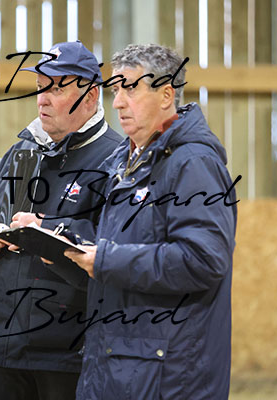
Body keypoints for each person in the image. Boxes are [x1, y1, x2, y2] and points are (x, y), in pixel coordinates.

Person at [64, 44, 237, 399]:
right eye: (115, 90)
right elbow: (122, 241)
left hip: (168, 376)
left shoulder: (193, 164)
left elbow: (203, 260)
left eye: (130, 89)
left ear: (166, 95)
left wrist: (105, 260)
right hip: (122, 365)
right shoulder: (126, 162)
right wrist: (58, 235)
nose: (118, 103)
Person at [0, 41, 122, 400]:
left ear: (91, 96)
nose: (42, 100)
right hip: (2, 347)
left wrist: (48, 231)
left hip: (68, 355)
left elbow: (116, 246)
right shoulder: (21, 152)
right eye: (40, 88)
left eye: (56, 89)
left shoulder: (114, 160)